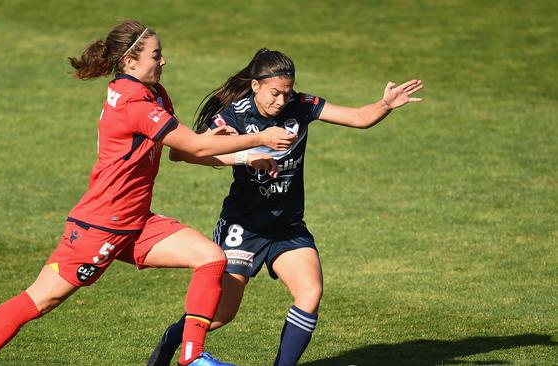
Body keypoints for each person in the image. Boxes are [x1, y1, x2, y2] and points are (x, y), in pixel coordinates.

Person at [0, 22, 297, 366]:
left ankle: (192, 358)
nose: (164, 61)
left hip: (136, 222)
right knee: (38, 301)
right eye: (156, 55)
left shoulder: (154, 93)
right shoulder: (134, 102)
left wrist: (241, 155)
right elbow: (194, 143)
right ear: (130, 62)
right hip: (99, 227)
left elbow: (182, 151)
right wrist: (259, 138)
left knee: (210, 257)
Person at [148, 48, 424, 366]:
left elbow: (359, 118)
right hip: (243, 227)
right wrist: (244, 155)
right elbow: (182, 153)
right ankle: (172, 339)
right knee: (222, 314)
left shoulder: (300, 105)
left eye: (286, 93)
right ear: (255, 86)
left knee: (310, 293)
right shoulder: (233, 115)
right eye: (274, 93)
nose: (280, 101)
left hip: (287, 226)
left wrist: (385, 104)